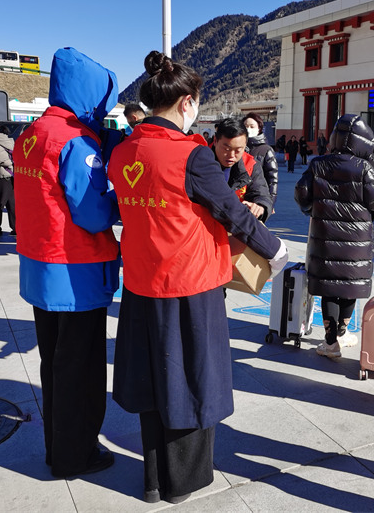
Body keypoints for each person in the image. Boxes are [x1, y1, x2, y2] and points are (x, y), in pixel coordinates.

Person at [107, 51, 288, 505]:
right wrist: (276, 249)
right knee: (191, 382)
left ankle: (152, 480)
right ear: (187, 102)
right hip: (189, 285)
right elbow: (232, 212)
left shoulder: (124, 150)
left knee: (153, 380)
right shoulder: (191, 156)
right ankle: (181, 482)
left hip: (141, 283)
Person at [13, 47, 121, 478]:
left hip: (40, 268)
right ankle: (76, 455)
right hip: (75, 273)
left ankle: (56, 447)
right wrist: (119, 199)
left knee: (54, 366)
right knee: (81, 369)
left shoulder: (31, 134)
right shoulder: (77, 142)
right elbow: (92, 213)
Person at [295, 114, 374, 357]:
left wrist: (311, 209)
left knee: (329, 288)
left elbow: (301, 192)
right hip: (356, 241)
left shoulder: (319, 164)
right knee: (349, 286)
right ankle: (342, 333)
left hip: (325, 238)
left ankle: (330, 341)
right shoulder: (364, 168)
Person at [213, 117, 273, 222]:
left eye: (238, 150)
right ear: (215, 141)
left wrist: (260, 206)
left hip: (235, 223)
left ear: (245, 145)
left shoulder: (250, 164)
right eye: (226, 149)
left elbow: (261, 194)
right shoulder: (200, 160)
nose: (231, 155)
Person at [242, 112, 279, 212]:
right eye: (246, 126)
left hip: (257, 198)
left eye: (252, 126)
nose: (248, 129)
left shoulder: (265, 150)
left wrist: (269, 203)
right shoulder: (239, 148)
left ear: (259, 128)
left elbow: (272, 180)